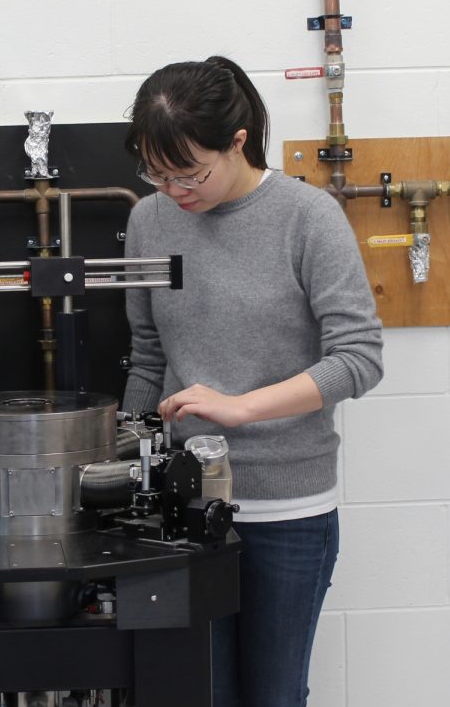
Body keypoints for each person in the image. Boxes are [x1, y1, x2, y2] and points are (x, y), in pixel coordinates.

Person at [120, 56, 383, 707]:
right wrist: (126, 458)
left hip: (287, 510)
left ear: (238, 140)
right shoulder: (149, 221)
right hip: (182, 508)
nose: (175, 189)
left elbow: (359, 356)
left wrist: (240, 407)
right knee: (195, 692)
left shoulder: (308, 217)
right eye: (156, 172)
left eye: (189, 172)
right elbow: (147, 355)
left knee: (272, 694)